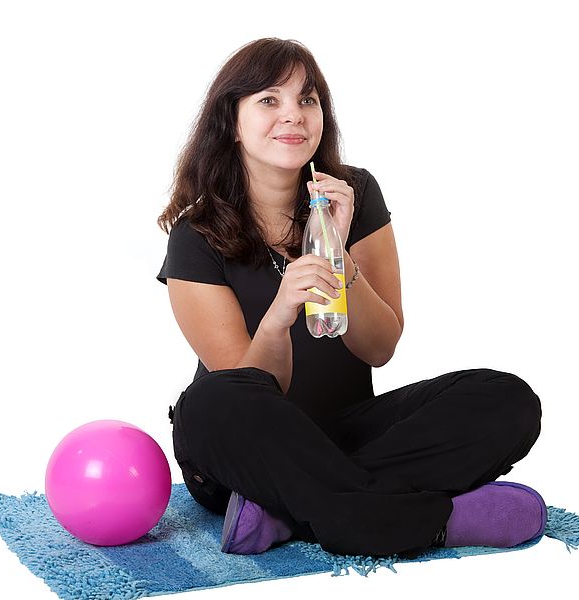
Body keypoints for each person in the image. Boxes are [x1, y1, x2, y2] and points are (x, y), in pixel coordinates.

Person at [156, 38, 544, 559]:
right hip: (247, 450)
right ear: (231, 119)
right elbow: (250, 391)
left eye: (307, 100)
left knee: (505, 399)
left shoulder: (352, 193)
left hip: (349, 436)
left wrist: (340, 260)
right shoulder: (196, 233)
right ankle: (433, 524)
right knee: (211, 402)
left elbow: (380, 348)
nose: (292, 115)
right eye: (269, 100)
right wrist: (280, 314)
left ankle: (291, 513)